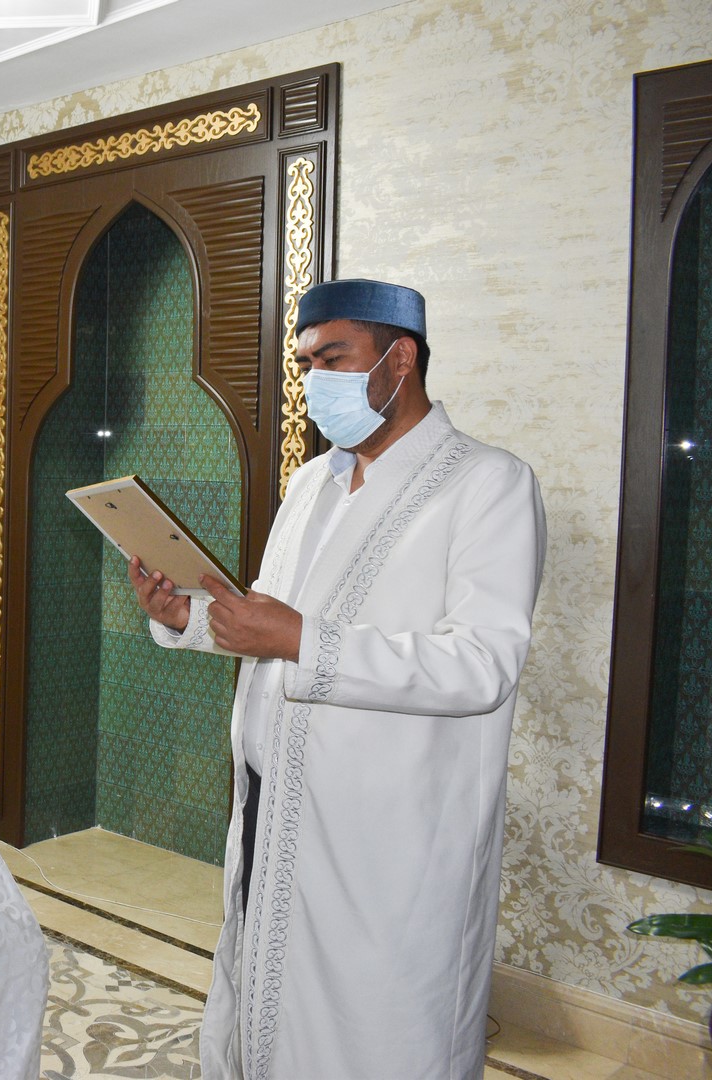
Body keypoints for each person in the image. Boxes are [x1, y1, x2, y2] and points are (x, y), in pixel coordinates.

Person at [130, 279, 545, 1079]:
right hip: (273, 803)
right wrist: (190, 618)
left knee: (373, 1031)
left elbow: (482, 664)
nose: (314, 380)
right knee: (263, 1004)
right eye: (305, 364)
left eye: (333, 358)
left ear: (401, 358)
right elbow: (274, 624)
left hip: (388, 837)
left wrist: (298, 638)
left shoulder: (487, 484)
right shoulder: (311, 483)